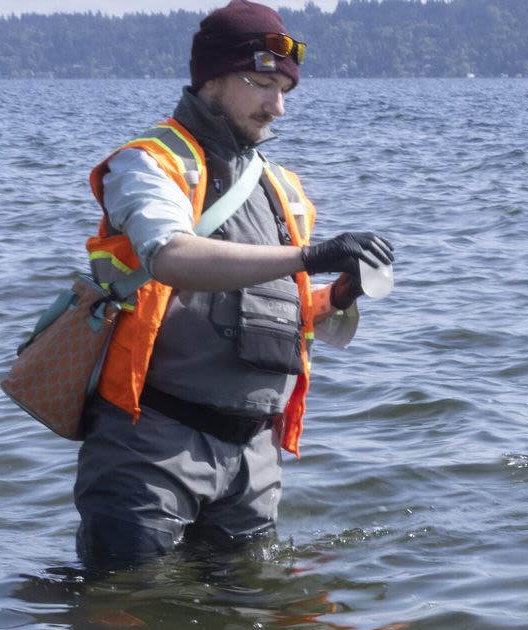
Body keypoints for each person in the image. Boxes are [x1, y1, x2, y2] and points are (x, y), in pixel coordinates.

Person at [73, 0, 395, 566]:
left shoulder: (284, 189)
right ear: (212, 78)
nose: (277, 107)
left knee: (250, 611)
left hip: (256, 456)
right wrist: (310, 255)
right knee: (130, 608)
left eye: (285, 92)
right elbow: (171, 256)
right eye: (262, 84)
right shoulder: (150, 162)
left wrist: (339, 295)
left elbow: (276, 309)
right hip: (152, 446)